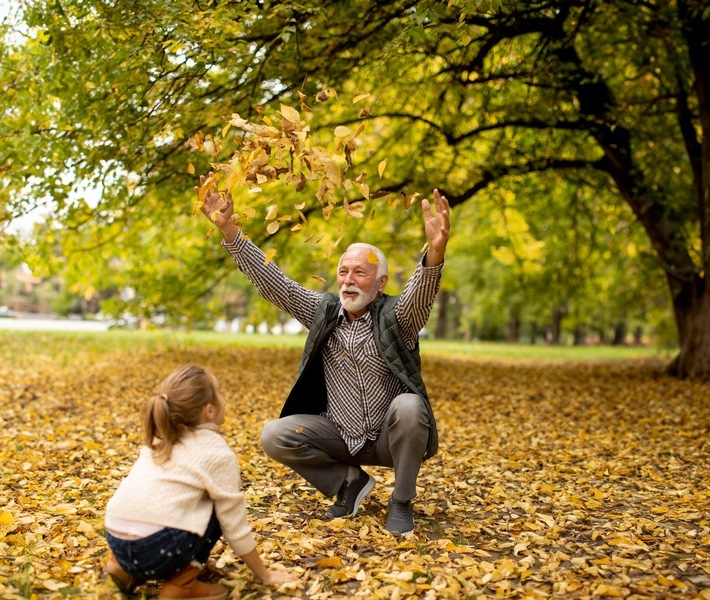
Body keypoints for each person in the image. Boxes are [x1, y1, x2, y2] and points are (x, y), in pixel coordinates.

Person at [198, 174, 450, 535]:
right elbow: (277, 285)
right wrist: (230, 233)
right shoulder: (324, 311)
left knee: (410, 407)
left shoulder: (398, 317)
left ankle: (401, 500)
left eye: (360, 273)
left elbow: (420, 293)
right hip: (340, 434)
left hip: (388, 441)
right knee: (275, 434)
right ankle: (348, 483)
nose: (348, 280)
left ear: (380, 284)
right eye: (343, 271)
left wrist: (435, 252)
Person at [103, 364, 296, 599]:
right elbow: (233, 525)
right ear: (209, 411)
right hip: (159, 549)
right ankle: (180, 585)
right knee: (218, 507)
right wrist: (265, 575)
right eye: (220, 393)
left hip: (116, 539)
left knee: (171, 504)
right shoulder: (216, 453)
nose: (224, 399)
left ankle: (122, 568)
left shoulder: (159, 439)